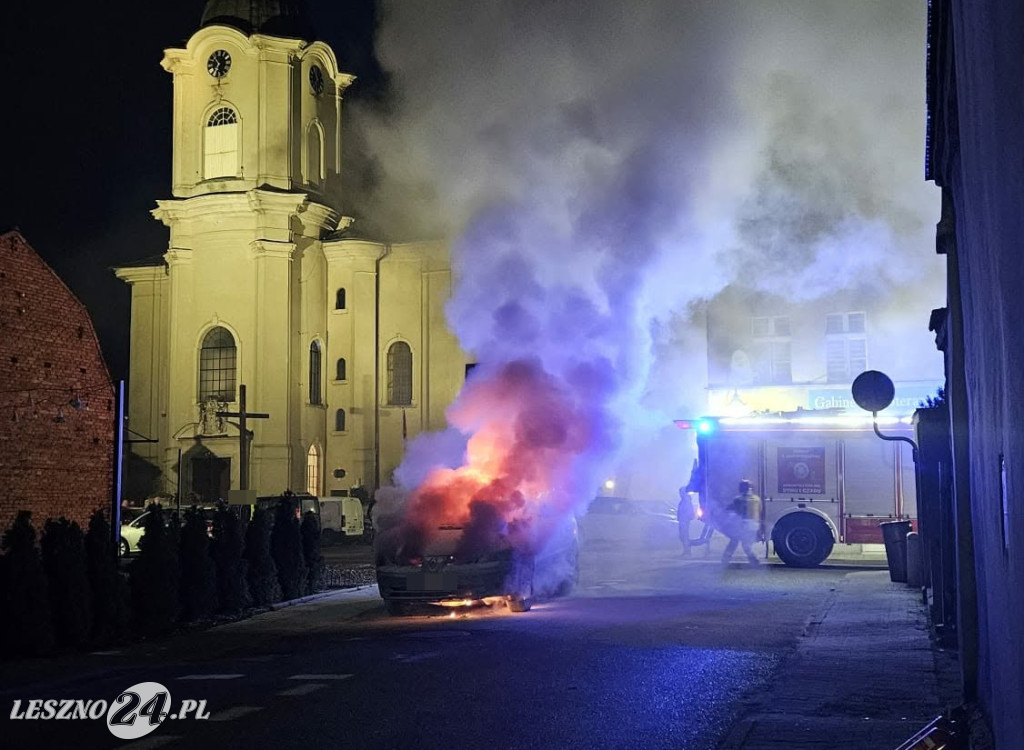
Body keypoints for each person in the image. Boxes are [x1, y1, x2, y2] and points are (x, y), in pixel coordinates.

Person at [721, 479, 762, 566]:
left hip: (743, 525)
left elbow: (733, 510)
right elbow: (760, 511)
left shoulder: (738, 499)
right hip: (754, 526)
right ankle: (754, 560)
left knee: (734, 542)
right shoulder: (757, 499)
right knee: (745, 544)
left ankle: (725, 559)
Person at [677, 486, 695, 556]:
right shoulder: (685, 500)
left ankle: (687, 551)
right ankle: (686, 550)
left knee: (684, 536)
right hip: (683, 520)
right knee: (683, 536)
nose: (680, 494)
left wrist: (685, 518)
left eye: (681, 492)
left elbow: (688, 511)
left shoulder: (686, 500)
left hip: (684, 520)